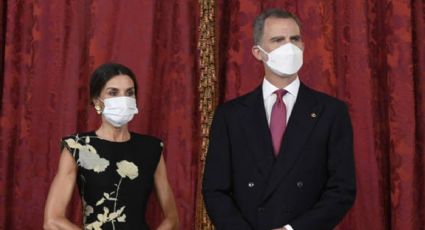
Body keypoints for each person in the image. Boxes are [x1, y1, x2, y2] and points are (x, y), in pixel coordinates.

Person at [202, 8, 356, 230]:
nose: (289, 48)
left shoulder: (331, 112)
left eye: (294, 39)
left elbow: (342, 189)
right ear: (258, 52)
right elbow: (215, 189)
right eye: (278, 40)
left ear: (303, 45)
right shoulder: (231, 116)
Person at [44, 63, 179, 230]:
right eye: (113, 93)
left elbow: (172, 219)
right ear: (96, 101)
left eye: (129, 93)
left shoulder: (151, 148)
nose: (123, 99)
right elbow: (52, 221)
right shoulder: (78, 146)